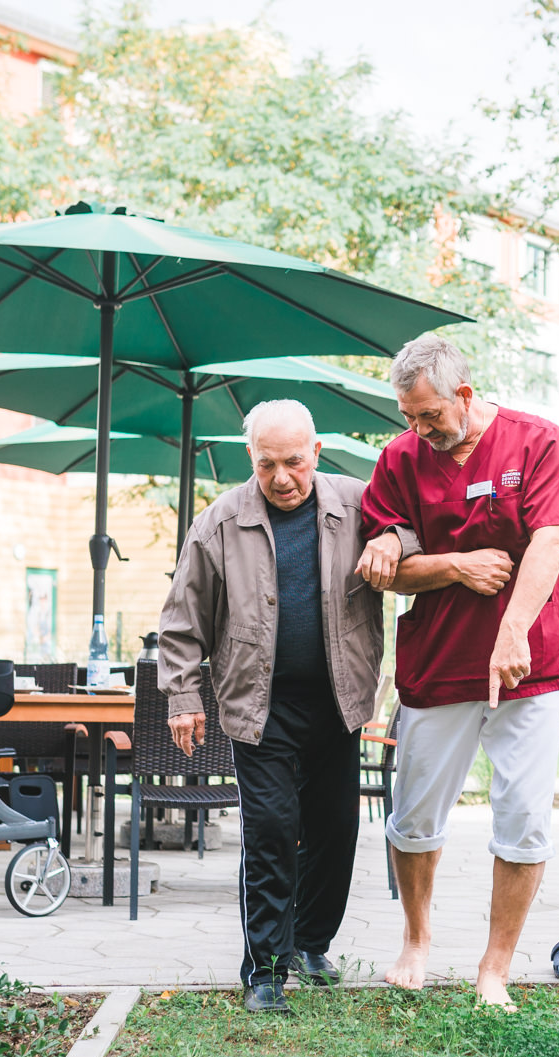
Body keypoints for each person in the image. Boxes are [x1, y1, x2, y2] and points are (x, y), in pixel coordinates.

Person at [352, 335, 559, 1010]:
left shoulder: (537, 441)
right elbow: (383, 568)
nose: (419, 430)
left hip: (529, 670)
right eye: (409, 417)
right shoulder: (399, 460)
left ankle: (494, 968)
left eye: (429, 416)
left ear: (465, 396)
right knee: (413, 815)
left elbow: (550, 539)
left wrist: (512, 629)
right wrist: (456, 563)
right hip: (439, 667)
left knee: (525, 818)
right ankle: (417, 939)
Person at [158, 398, 389, 1013]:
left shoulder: (359, 504)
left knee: (335, 830)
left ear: (316, 452)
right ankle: (265, 970)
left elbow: (413, 526)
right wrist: (184, 695)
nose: (282, 477)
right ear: (250, 459)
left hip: (339, 699)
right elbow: (182, 622)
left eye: (293, 461)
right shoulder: (219, 523)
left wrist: (395, 539)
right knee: (271, 833)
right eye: (267, 465)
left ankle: (312, 942)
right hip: (258, 704)